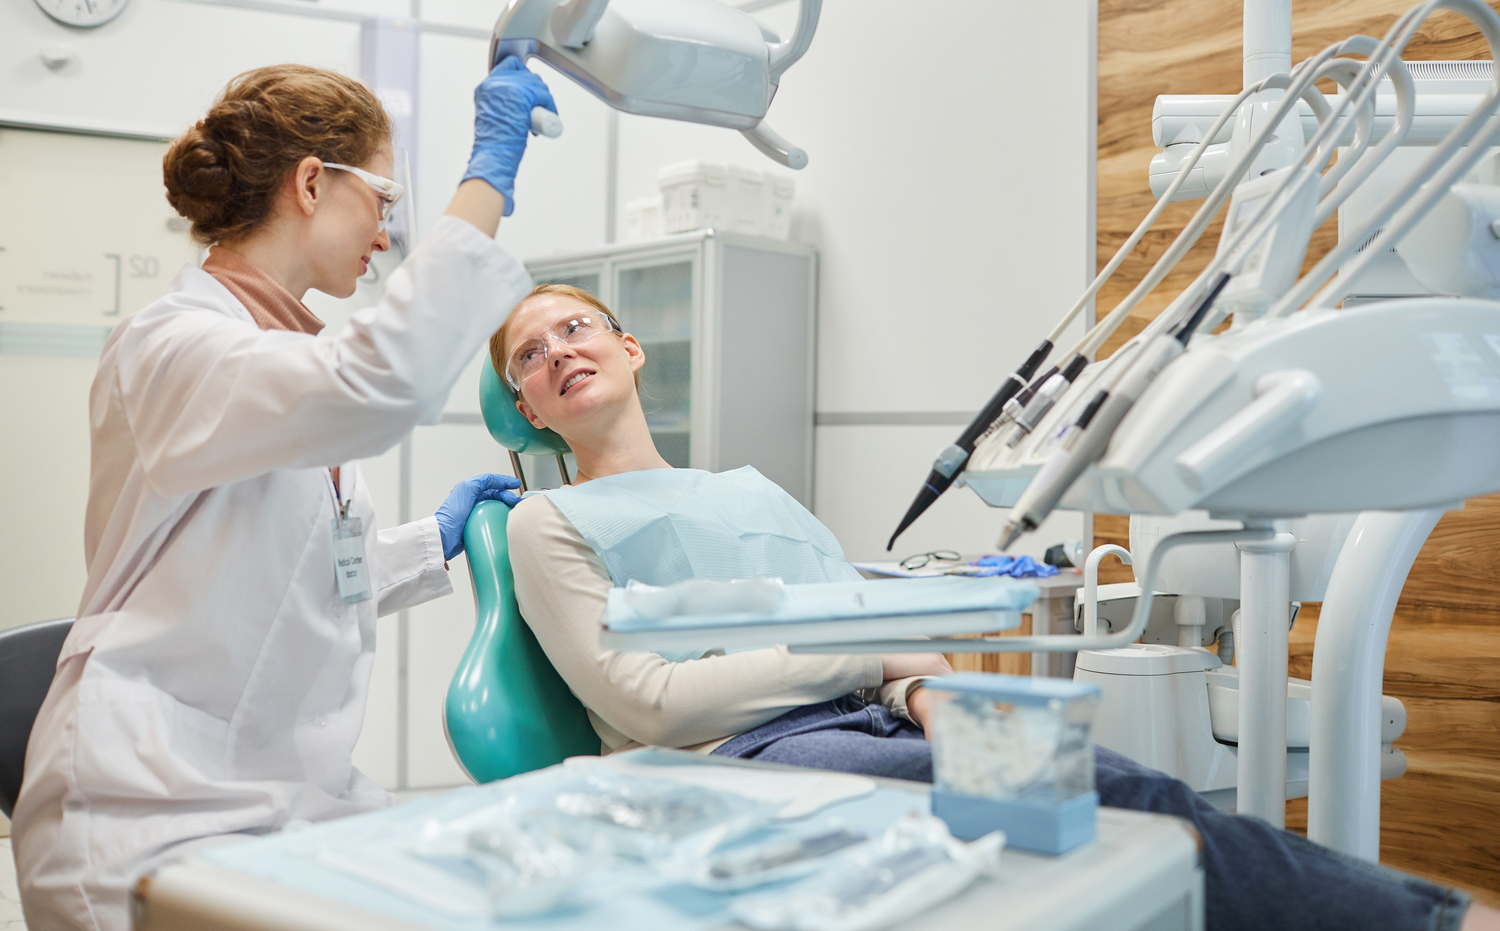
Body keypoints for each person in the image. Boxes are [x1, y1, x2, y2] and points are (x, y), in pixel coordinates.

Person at [497, 284, 1496, 931]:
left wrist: (930, 692)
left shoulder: (753, 490)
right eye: (529, 357)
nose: (558, 352)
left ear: (630, 349)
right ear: (531, 409)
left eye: (574, 328)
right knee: (1076, 827)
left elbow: (874, 633)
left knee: (1123, 783)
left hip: (870, 717)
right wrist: (872, 666)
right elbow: (653, 704)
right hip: (727, 764)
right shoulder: (545, 522)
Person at [11, 57, 556, 931]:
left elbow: (279, 585)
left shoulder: (277, 356)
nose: (386, 235)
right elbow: (379, 385)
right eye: (382, 201)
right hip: (147, 817)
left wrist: (431, 544)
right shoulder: (174, 345)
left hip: (279, 802)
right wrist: (486, 178)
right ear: (312, 182)